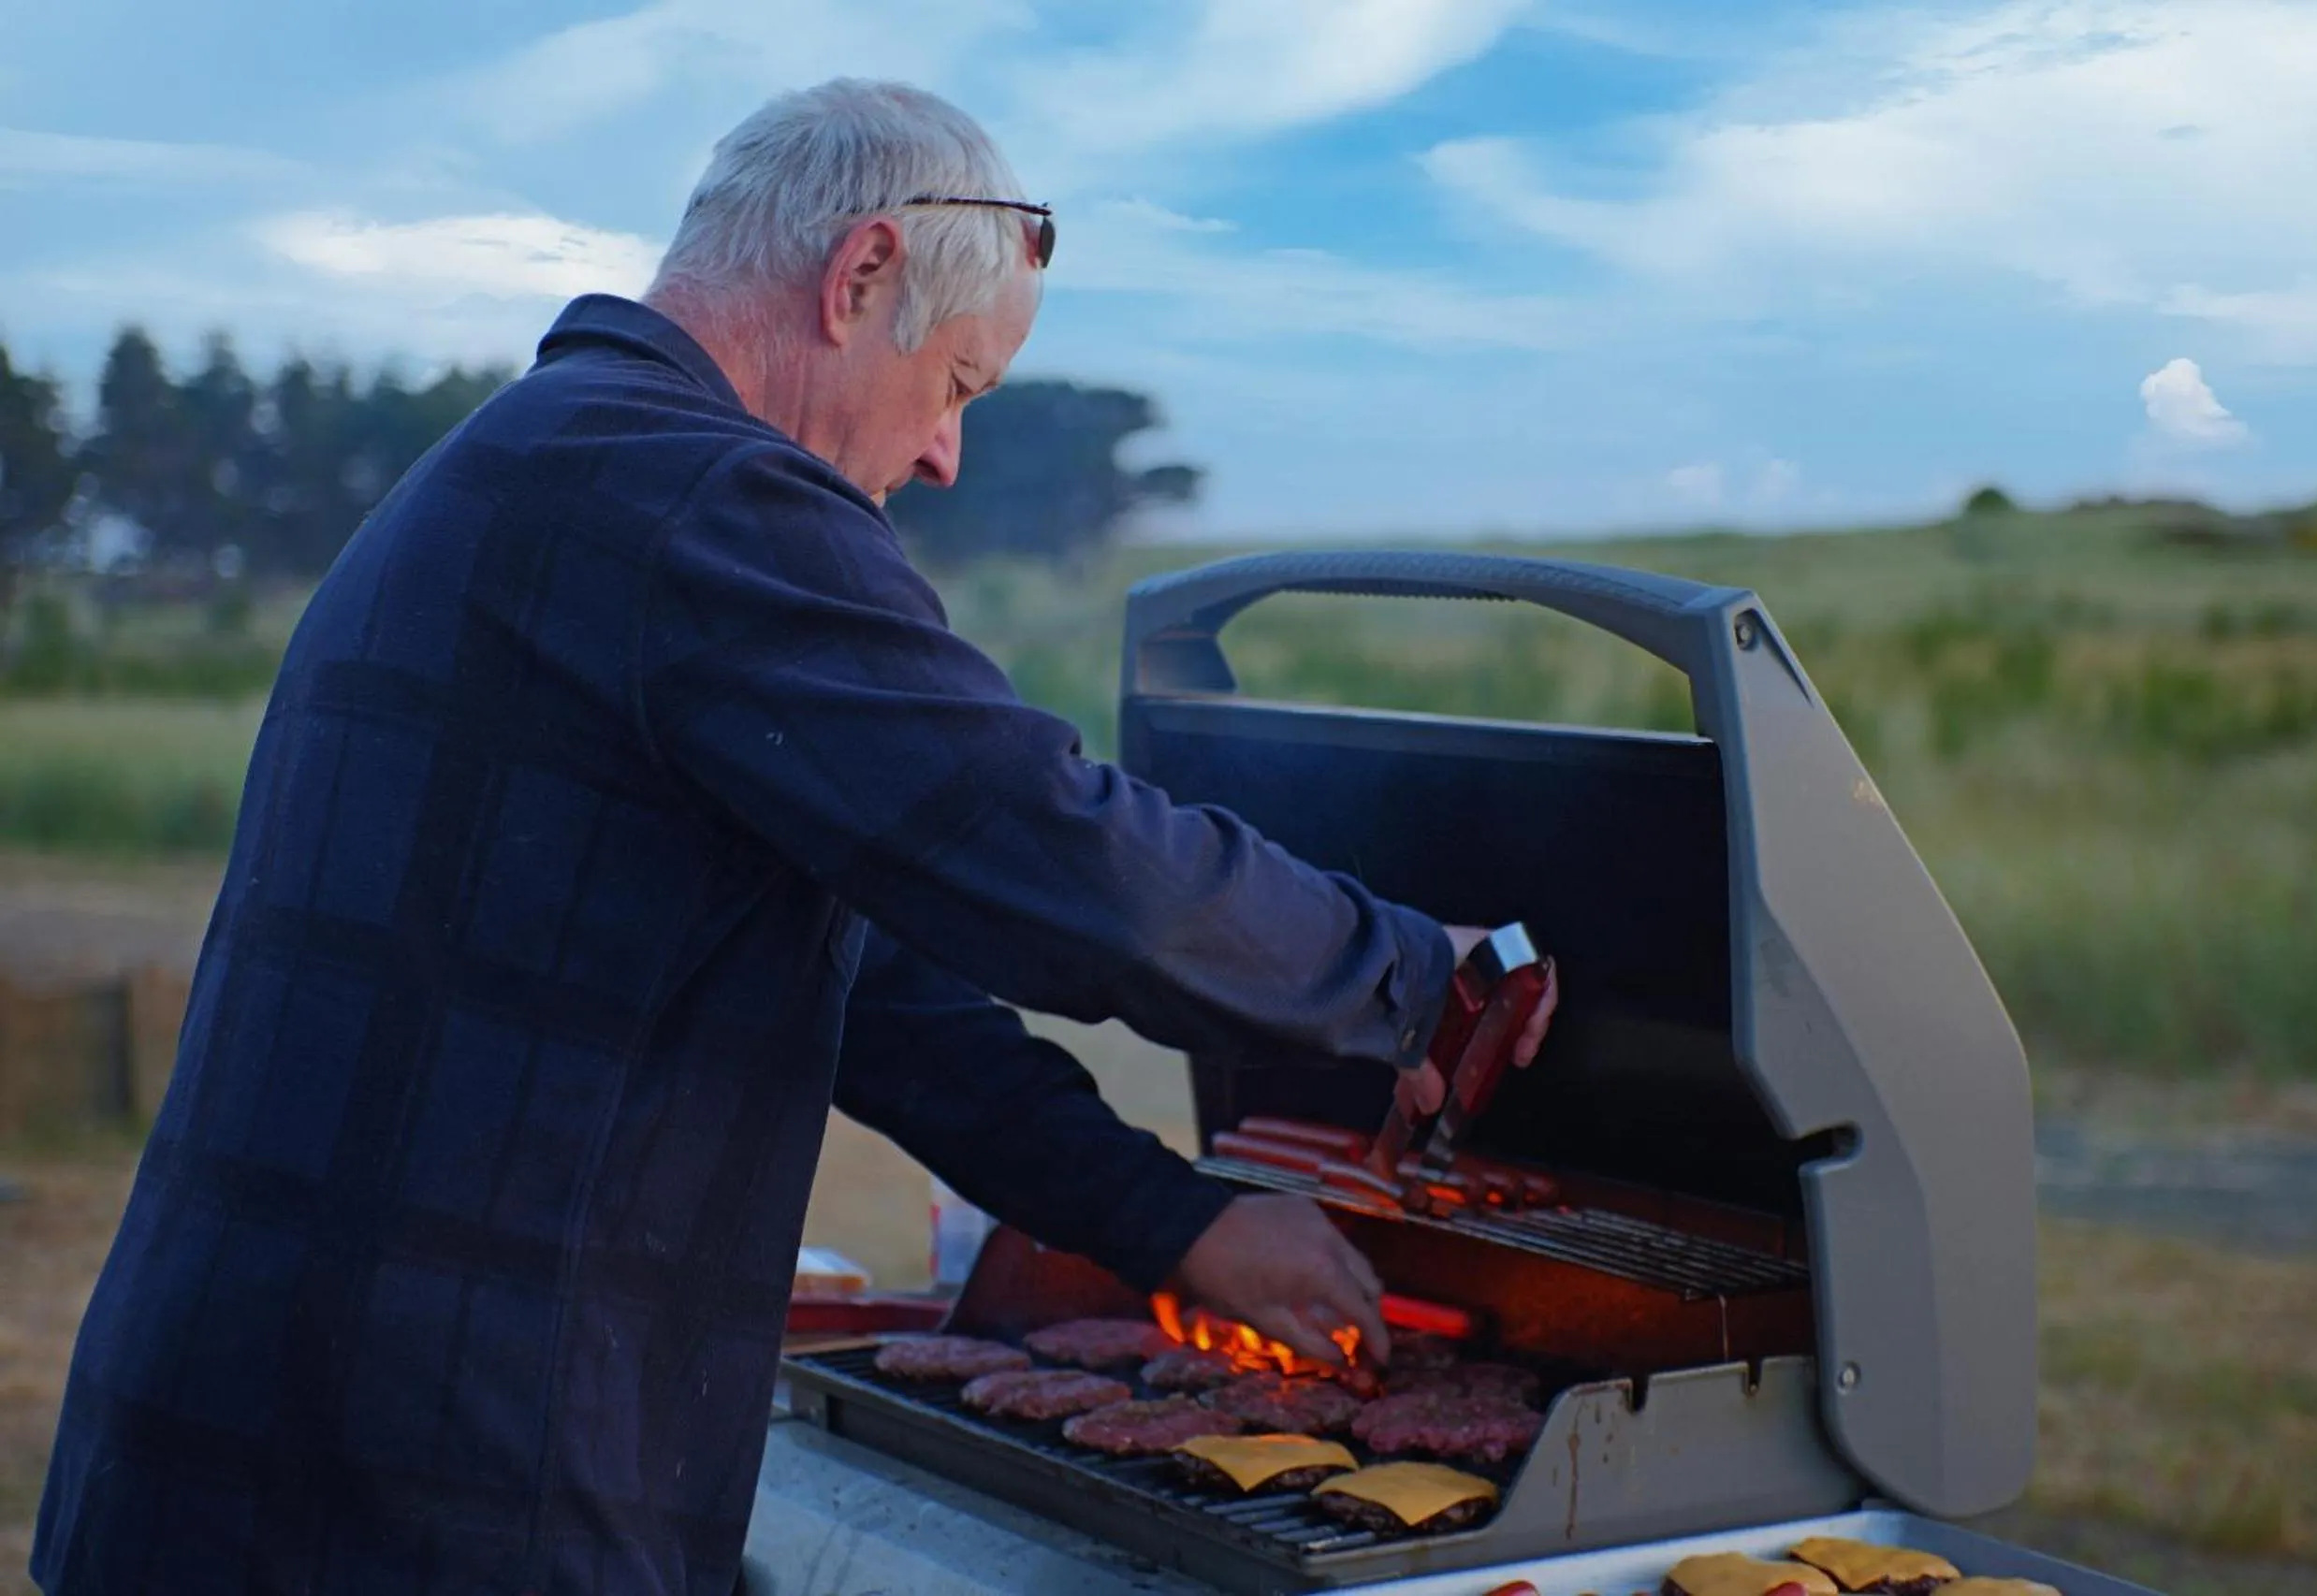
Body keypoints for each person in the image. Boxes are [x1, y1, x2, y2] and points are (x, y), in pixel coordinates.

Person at [33, 79, 1556, 1596]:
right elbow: (1058, 855)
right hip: (422, 1491)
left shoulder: (543, 467)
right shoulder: (698, 494)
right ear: (860, 277)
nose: (948, 454)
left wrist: (1168, 1218)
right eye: (958, 383)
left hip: (243, 1447)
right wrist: (1420, 980)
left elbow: (872, 989)